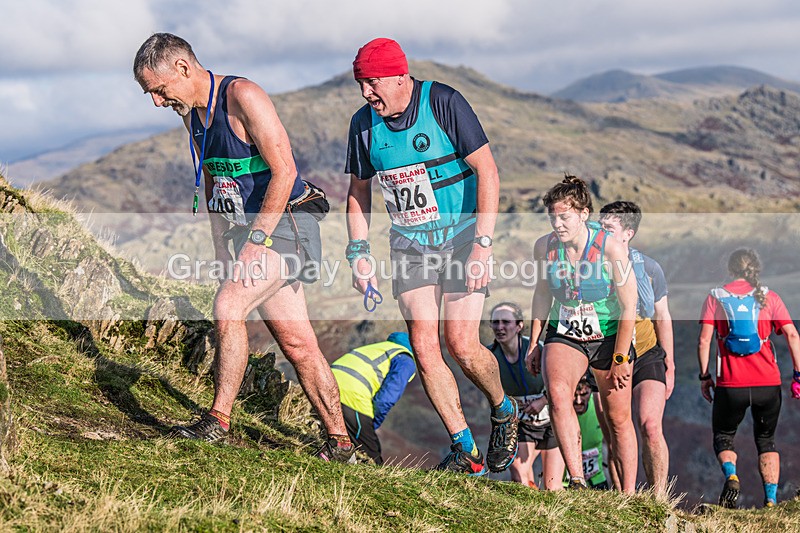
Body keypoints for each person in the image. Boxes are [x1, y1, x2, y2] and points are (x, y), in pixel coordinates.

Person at [133, 33, 354, 461]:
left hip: (288, 222)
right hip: (250, 230)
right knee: (297, 343)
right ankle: (341, 443)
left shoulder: (242, 96)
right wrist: (222, 252)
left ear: (182, 67)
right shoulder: (191, 115)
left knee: (229, 305)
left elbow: (285, 171)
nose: (158, 102)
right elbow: (215, 180)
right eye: (151, 95)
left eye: (159, 90)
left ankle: (217, 421)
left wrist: (256, 241)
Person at [344, 37, 518, 476]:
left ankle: (503, 408)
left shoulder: (443, 102)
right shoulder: (363, 124)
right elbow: (358, 192)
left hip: (461, 236)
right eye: (361, 84)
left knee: (461, 343)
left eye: (373, 82)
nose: (367, 93)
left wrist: (483, 243)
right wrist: (358, 252)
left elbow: (488, 171)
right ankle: (465, 449)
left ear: (400, 76)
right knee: (423, 345)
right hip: (410, 243)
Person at [525, 175, 638, 493]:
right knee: (559, 397)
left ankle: (628, 494)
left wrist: (620, 356)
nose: (557, 224)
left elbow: (630, 306)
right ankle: (576, 479)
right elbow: (542, 294)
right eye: (552, 217)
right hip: (566, 332)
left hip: (609, 337)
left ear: (584, 214)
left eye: (564, 217)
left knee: (617, 420)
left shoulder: (611, 248)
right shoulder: (545, 247)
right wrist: (534, 342)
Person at [697, 248, 800, 508]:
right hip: (768, 383)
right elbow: (792, 335)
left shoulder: (715, 298)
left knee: (724, 435)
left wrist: (705, 376)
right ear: (755, 269)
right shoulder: (769, 297)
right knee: (766, 440)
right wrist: (798, 375)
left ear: (730, 270)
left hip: (731, 385)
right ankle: (772, 502)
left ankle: (732, 475)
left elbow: (703, 341)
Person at [598, 201, 674, 496]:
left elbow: (663, 316)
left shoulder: (649, 268)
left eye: (608, 228)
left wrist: (670, 363)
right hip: (608, 352)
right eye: (600, 226)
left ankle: (659, 497)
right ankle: (623, 497)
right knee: (615, 429)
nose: (601, 232)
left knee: (651, 425)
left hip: (646, 352)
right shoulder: (590, 264)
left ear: (628, 233)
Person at [487, 302, 565, 489]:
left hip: (551, 421)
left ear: (519, 325)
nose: (500, 327)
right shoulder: (489, 356)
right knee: (520, 477)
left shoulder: (539, 348)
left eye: (506, 321)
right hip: (522, 423)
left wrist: (543, 400)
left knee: (552, 487)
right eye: (495, 322)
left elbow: (565, 381)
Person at [331, 332, 416, 464]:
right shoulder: (406, 360)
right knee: (371, 455)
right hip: (352, 397)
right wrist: (372, 423)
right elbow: (386, 398)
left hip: (326, 387)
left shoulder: (378, 348)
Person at [568, 374, 609, 489]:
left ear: (591, 391)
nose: (579, 401)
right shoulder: (560, 412)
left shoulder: (598, 408)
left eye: (584, 395)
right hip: (567, 483)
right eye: (574, 395)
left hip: (597, 480)